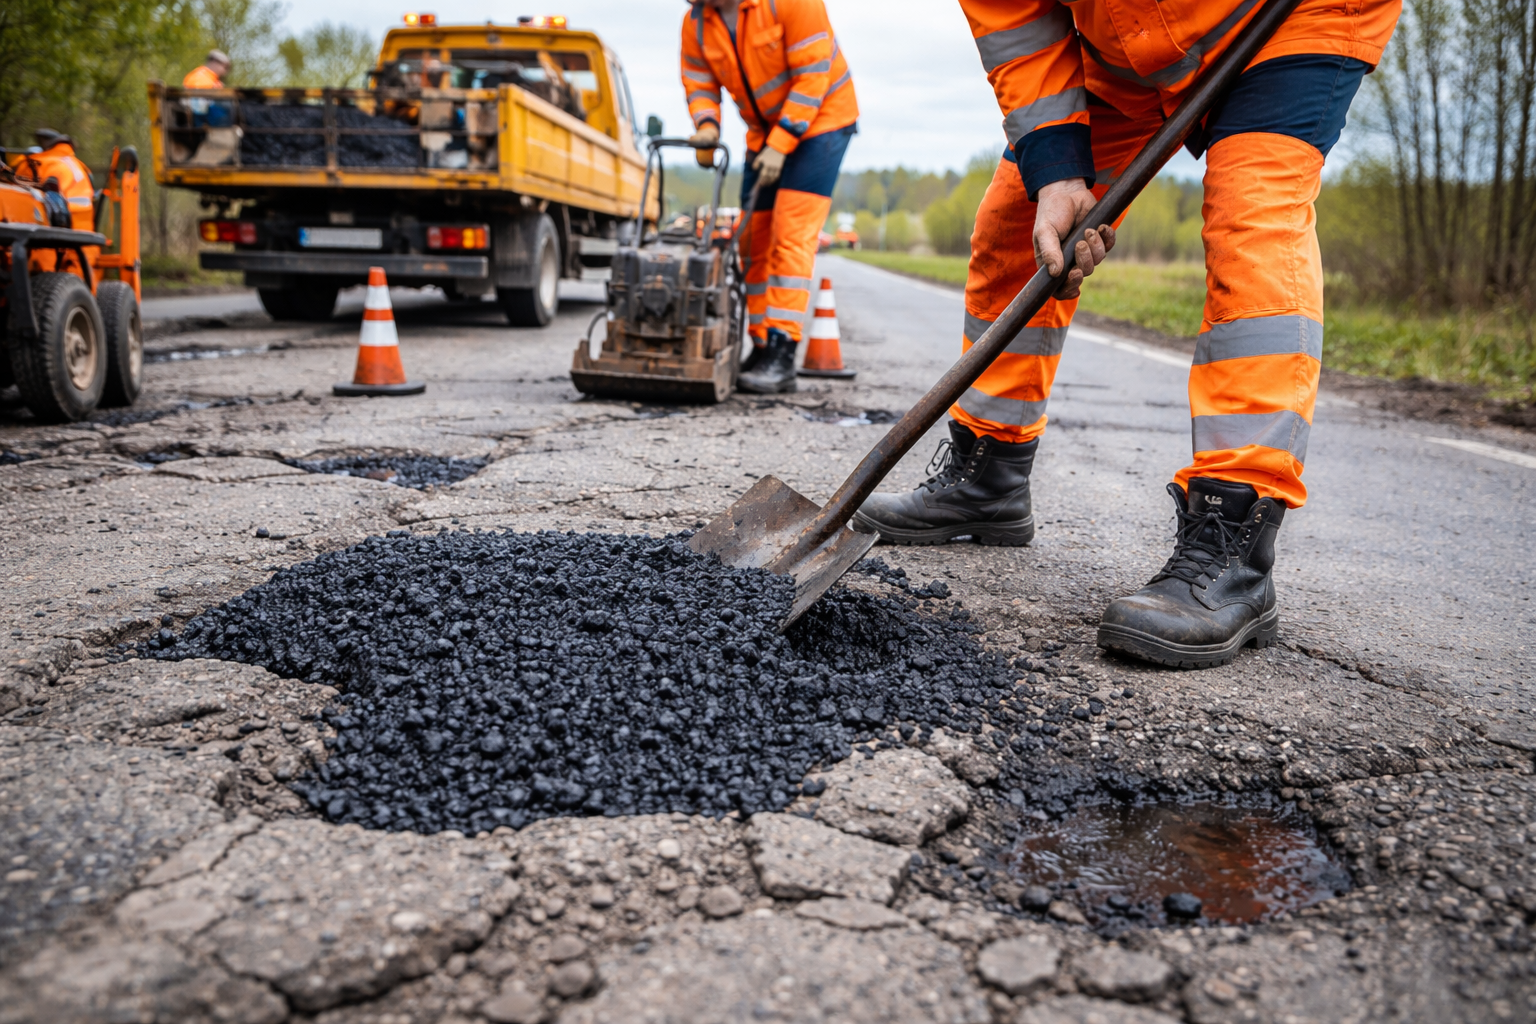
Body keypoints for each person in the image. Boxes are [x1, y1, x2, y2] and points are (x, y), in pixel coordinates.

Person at [853, 0, 1401, 668]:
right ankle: (987, 475)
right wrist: (1056, 171)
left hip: (1286, 21)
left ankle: (1234, 538)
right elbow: (1015, 22)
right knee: (1020, 217)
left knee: (1251, 220)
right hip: (1126, 47)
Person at [680, 0, 858, 393]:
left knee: (789, 233)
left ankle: (781, 350)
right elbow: (699, 80)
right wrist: (707, 125)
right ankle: (760, 344)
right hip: (764, 132)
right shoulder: (696, 24)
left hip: (823, 123)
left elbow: (814, 75)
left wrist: (782, 142)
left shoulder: (791, 4)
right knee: (752, 239)